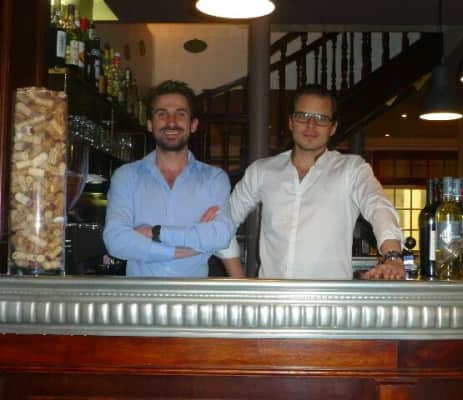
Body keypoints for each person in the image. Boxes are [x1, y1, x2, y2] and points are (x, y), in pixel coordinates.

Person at [218, 84, 404, 280]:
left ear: (333, 128)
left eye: (321, 118)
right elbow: (222, 224)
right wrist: (240, 281)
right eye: (303, 116)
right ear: (291, 122)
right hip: (273, 296)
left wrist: (392, 256)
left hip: (330, 297)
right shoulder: (261, 171)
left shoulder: (352, 169)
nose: (311, 125)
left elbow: (377, 204)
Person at [103, 80, 243, 278]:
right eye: (162, 114)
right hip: (140, 295)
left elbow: (220, 235)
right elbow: (116, 241)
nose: (171, 122)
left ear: (193, 125)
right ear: (150, 124)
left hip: (193, 296)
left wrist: (154, 233)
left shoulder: (214, 179)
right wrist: (188, 248)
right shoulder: (126, 176)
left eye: (180, 114)